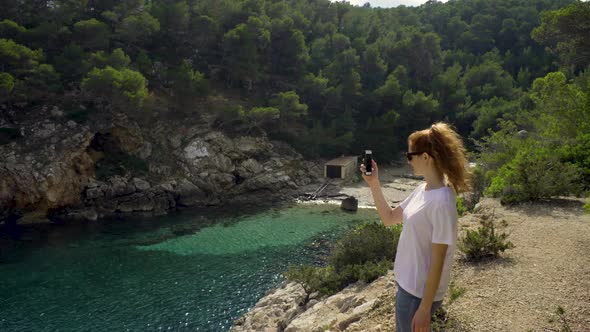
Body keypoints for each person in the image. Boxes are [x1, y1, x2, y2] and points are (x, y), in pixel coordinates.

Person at [360, 122, 471, 332]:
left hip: (417, 295)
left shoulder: (442, 202)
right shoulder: (423, 189)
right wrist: (374, 183)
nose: (408, 161)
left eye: (410, 156)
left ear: (426, 157)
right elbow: (390, 218)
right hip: (408, 287)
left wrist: (424, 309)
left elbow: (439, 261)